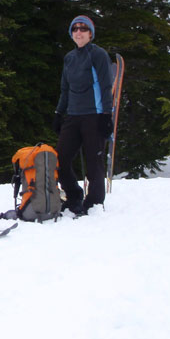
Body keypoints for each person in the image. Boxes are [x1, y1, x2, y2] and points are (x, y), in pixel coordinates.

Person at [53, 15, 113, 216]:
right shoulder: (69, 58)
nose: (78, 32)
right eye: (75, 29)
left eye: (83, 29)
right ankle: (74, 195)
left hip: (94, 116)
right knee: (60, 159)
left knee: (93, 162)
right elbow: (65, 89)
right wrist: (59, 113)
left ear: (90, 33)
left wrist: (107, 114)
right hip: (73, 115)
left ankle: (94, 203)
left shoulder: (98, 55)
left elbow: (106, 86)